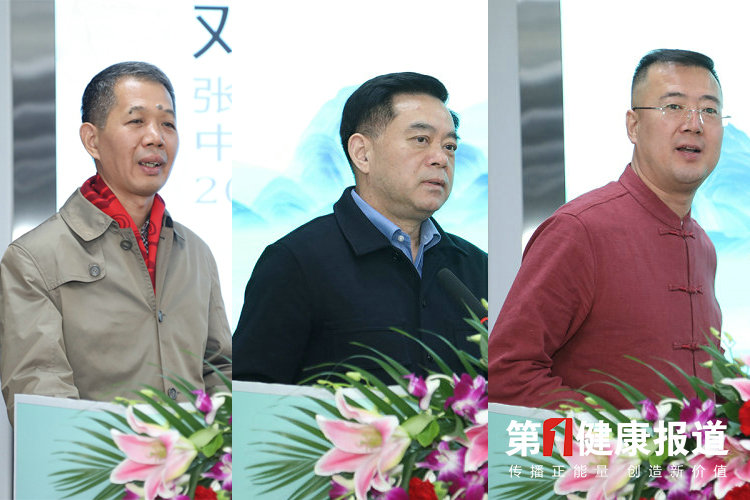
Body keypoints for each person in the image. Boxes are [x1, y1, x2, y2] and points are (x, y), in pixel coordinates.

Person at [489, 49, 723, 409]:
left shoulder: (703, 245)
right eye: (674, 107)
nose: (694, 124)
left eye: (709, 110)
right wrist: (605, 428)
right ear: (633, 126)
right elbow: (507, 371)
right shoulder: (579, 229)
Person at [0, 62, 232, 423]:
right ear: (92, 140)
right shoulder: (33, 258)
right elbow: (41, 397)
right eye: (136, 121)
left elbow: (220, 372)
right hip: (97, 459)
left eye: (168, 124)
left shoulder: (196, 252)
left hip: (194, 461)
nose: (155, 137)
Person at [233, 72, 488, 384]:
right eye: (421, 140)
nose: (441, 159)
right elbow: (253, 392)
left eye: (449, 146)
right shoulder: (296, 263)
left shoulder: (478, 267)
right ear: (362, 153)